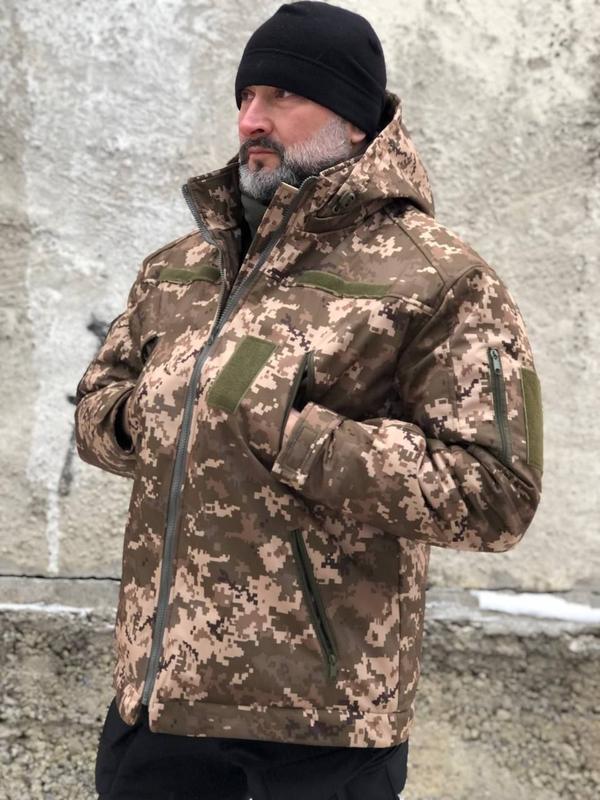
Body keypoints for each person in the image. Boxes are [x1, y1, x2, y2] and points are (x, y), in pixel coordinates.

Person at [74, 2, 544, 798]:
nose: (250, 120)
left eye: (281, 96)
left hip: (320, 728)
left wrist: (291, 436)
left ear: (354, 119)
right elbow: (97, 414)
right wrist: (153, 410)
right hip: (159, 709)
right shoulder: (181, 266)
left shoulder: (438, 279)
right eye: (245, 96)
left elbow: (497, 494)